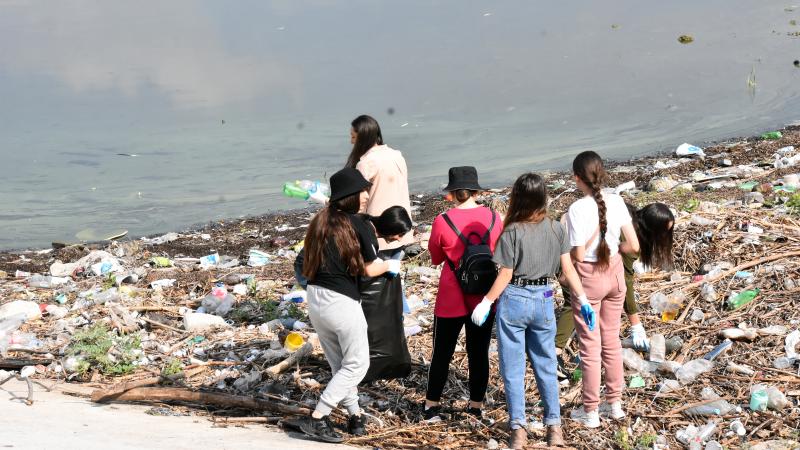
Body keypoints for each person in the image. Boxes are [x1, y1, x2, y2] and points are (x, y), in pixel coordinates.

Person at [471, 173, 590, 448]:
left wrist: (486, 302)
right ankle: (554, 428)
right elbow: (568, 269)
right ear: (543, 197)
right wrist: (582, 299)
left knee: (513, 369)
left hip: (515, 298)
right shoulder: (556, 228)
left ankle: (518, 430)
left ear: (518, 197)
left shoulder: (512, 231)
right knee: (546, 365)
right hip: (544, 297)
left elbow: (505, 274)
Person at [298, 167, 401, 443]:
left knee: (340, 365)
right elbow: (369, 269)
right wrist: (390, 265)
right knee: (357, 365)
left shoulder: (320, 220)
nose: (366, 196)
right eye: (362, 192)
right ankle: (318, 417)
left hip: (315, 297)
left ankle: (355, 416)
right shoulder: (358, 224)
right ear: (351, 196)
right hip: (341, 301)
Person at [565, 151, 640, 428]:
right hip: (615, 275)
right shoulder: (617, 200)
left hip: (589, 277)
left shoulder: (576, 209)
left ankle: (591, 411)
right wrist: (613, 249)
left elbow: (578, 253)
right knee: (611, 340)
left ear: (577, 177)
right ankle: (615, 404)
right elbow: (634, 246)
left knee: (589, 346)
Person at [424, 166, 502, 421]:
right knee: (478, 352)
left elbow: (436, 258)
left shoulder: (442, 221)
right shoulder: (494, 218)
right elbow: (499, 253)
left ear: (453, 193)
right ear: (476, 191)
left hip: (451, 295)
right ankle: (476, 405)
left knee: (442, 352)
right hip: (484, 295)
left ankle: (431, 404)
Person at [555, 203, 675, 354]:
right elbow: (625, 280)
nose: (664, 237)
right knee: (573, 304)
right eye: (663, 232)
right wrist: (635, 324)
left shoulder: (627, 216)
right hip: (574, 258)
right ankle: (555, 350)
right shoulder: (630, 237)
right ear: (652, 227)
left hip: (579, 254)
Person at [346, 114, 414, 251]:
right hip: (403, 228)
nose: (351, 142)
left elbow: (359, 202)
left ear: (363, 138)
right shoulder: (397, 155)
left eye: (353, 137)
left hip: (380, 235)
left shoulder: (366, 163)